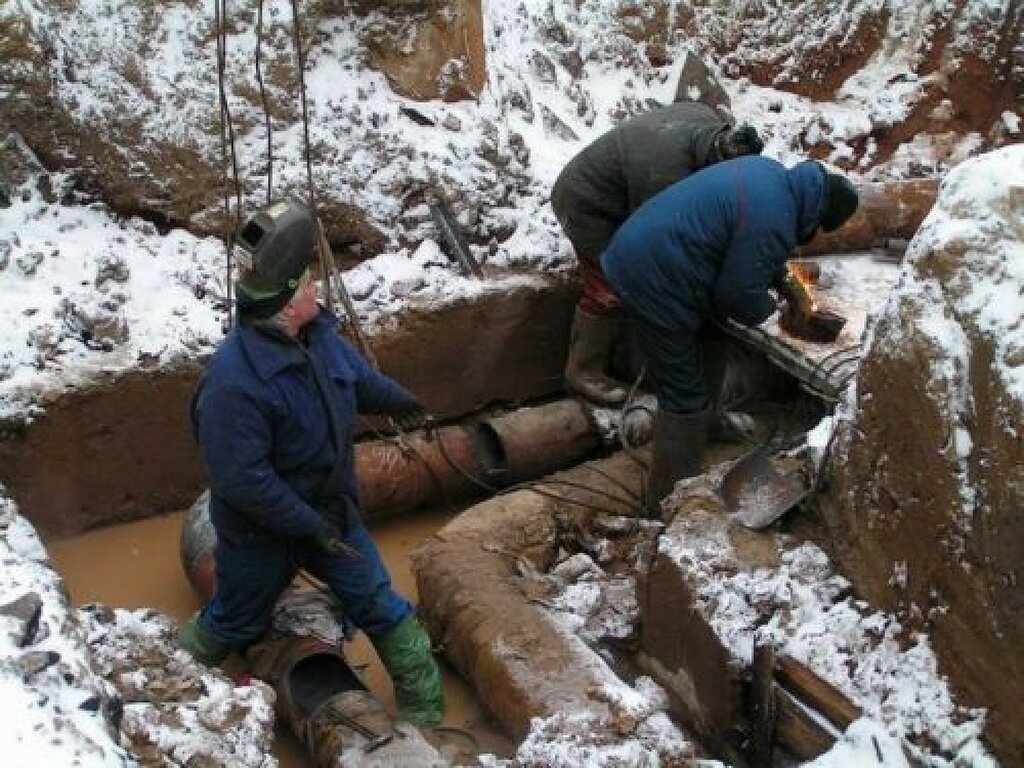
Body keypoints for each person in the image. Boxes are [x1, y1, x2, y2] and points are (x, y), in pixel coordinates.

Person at [180, 196, 444, 727]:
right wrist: (309, 528)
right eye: (306, 283)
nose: (315, 289)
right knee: (233, 619)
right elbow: (243, 482)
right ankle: (172, 684)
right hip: (262, 534)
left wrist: (406, 402)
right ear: (283, 304)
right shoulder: (234, 384)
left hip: (334, 513)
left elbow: (358, 381)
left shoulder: (317, 336)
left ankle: (429, 726)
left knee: (385, 610)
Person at [599, 156, 860, 517]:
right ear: (816, 217)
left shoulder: (771, 177)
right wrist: (776, 316)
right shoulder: (777, 218)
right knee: (683, 393)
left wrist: (783, 281)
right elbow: (735, 295)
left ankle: (708, 424)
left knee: (713, 337)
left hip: (648, 251)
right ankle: (668, 501)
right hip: (653, 276)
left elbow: (744, 245)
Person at [551, 100, 764, 406]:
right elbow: (650, 243)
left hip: (622, 189)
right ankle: (583, 371)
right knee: (612, 285)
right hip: (586, 201)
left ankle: (630, 364)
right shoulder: (664, 172)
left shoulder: (709, 120)